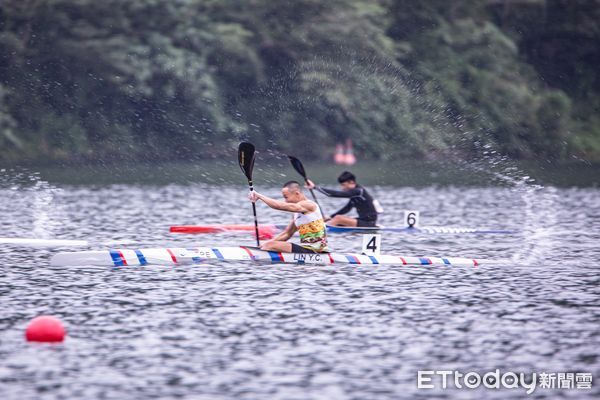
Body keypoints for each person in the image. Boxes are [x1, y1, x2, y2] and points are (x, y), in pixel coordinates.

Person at [247, 181, 329, 253]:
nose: (285, 201)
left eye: (286, 197)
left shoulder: (308, 205)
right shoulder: (298, 212)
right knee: (269, 245)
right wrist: (264, 245)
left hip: (315, 250)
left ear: (297, 193)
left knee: (270, 245)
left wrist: (260, 196)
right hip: (307, 249)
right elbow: (287, 234)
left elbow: (278, 206)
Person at [306, 171, 378, 227]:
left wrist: (315, 187)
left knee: (338, 219)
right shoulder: (355, 194)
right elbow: (347, 208)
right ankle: (324, 227)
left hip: (369, 223)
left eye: (343, 185)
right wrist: (330, 217)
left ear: (351, 182)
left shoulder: (358, 191)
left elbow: (334, 194)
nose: (342, 188)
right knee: (337, 219)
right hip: (363, 221)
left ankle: (321, 231)